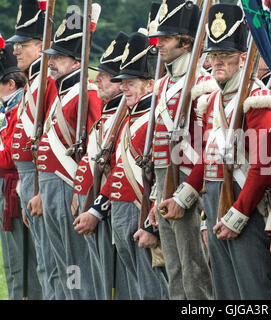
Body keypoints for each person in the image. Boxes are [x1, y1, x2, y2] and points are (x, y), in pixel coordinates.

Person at [159, 3, 271, 300]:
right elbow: (208, 158)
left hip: (243, 203)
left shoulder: (257, 98)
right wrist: (183, 196)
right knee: (226, 291)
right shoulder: (213, 100)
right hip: (214, 200)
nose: (217, 63)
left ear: (242, 59)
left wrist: (239, 212)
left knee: (254, 291)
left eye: (225, 56)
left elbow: (263, 166)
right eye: (213, 56)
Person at [83, 29, 169, 300]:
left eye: (130, 82)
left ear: (149, 85)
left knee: (152, 290)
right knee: (134, 291)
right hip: (121, 214)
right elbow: (118, 169)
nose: (123, 87)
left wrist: (151, 225)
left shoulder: (156, 118)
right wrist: (98, 208)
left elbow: (163, 178)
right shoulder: (130, 119)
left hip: (140, 213)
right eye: (122, 82)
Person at [31, 8, 103, 299]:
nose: (51, 63)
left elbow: (96, 147)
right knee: (62, 261)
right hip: (50, 186)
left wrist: (82, 189)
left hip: (68, 185)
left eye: (58, 58)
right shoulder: (61, 93)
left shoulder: (88, 94)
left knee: (76, 263)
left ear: (76, 62)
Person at [146, 0, 215, 300]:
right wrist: (156, 196)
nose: (159, 44)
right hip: (164, 182)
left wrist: (185, 195)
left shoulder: (203, 83)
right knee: (174, 268)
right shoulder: (162, 85)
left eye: (166, 38)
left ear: (186, 42)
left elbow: (208, 148)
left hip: (188, 181)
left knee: (194, 269)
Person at [72, 31, 130, 300]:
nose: (97, 80)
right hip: (93, 203)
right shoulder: (109, 113)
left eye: (105, 76)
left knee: (115, 284)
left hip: (107, 208)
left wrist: (96, 209)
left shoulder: (126, 117)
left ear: (121, 82)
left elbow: (120, 168)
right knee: (101, 284)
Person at [7, 0, 59, 299]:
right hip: (29, 181)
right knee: (44, 263)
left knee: (53, 263)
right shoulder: (34, 81)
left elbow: (48, 143)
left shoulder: (47, 82)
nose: (16, 51)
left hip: (42, 179)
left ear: (41, 47)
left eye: (23, 44)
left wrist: (38, 189)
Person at [0, 41, 42, 300]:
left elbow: (9, 158)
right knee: (14, 263)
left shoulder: (17, 110)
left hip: (17, 191)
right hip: (10, 190)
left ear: (11, 85)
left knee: (23, 264)